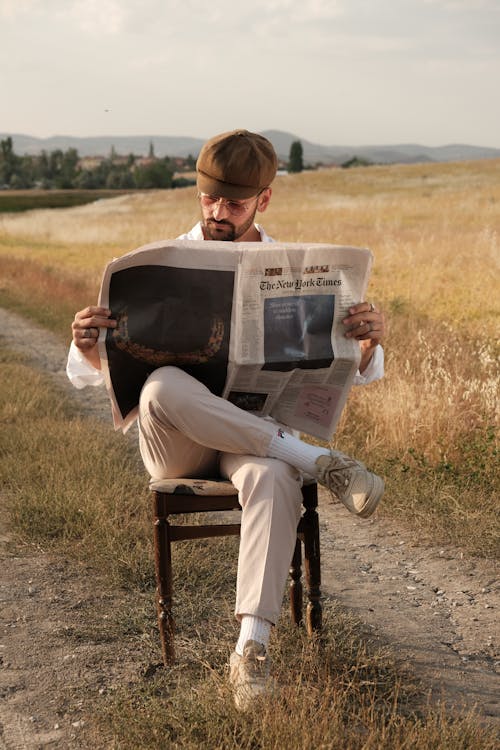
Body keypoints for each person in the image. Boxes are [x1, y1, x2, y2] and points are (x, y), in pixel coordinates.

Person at [66, 129, 386, 710]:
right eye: (207, 199)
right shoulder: (162, 261)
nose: (217, 213)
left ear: (264, 199)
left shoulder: (292, 268)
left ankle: (251, 651)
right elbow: (90, 375)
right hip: (177, 438)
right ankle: (318, 462)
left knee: (269, 477)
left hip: (252, 436)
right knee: (163, 384)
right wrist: (89, 346)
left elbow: (353, 373)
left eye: (234, 203)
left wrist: (365, 344)